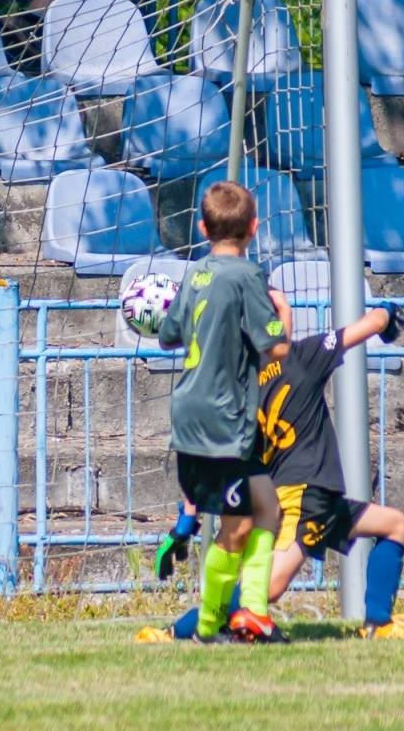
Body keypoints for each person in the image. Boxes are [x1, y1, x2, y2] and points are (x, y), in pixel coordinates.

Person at [144, 302, 404, 643]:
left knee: (394, 524)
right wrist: (388, 313)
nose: (287, 314)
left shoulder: (237, 386)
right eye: (281, 309)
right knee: (267, 589)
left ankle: (379, 622)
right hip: (302, 494)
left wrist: (187, 520)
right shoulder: (301, 356)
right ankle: (177, 632)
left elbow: (210, 455)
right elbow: (369, 324)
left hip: (316, 493)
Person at [156, 181, 290, 644]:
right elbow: (274, 346)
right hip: (225, 420)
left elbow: (168, 334)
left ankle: (252, 614)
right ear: (254, 227)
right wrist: (283, 323)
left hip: (194, 414)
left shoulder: (193, 274)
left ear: (202, 227)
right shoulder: (249, 277)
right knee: (237, 528)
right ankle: (210, 626)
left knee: (268, 508)